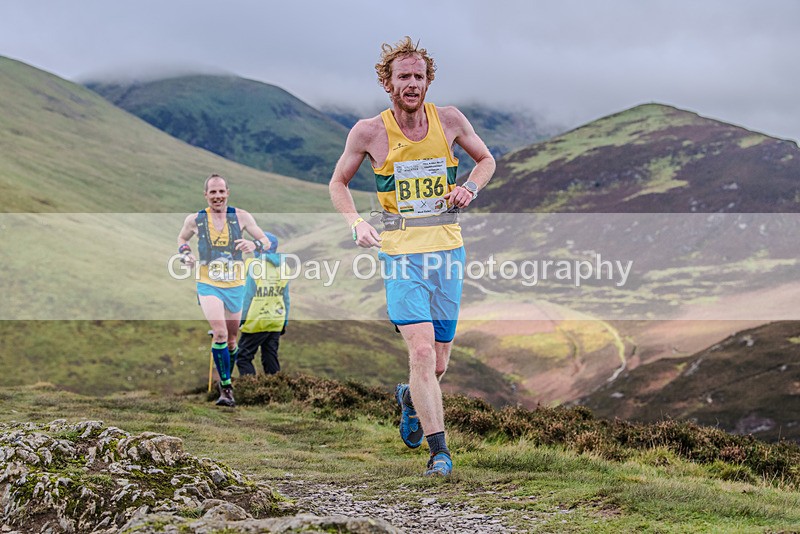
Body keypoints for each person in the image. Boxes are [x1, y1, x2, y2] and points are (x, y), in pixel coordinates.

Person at [329, 37, 496, 476]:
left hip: (447, 252)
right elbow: (338, 183)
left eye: (419, 76)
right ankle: (439, 452)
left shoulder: (451, 120)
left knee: (438, 362)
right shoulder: (369, 132)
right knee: (421, 352)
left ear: (428, 81)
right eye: (403, 76)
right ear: (388, 83)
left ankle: (409, 397)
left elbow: (486, 160)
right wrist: (355, 223)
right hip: (401, 254)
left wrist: (469, 187)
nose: (412, 84)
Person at [176, 174, 271, 407]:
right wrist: (185, 253)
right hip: (208, 283)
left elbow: (266, 241)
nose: (217, 196)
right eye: (213, 192)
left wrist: (254, 245)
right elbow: (182, 237)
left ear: (228, 192)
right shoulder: (196, 219)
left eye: (221, 192)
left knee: (230, 340)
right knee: (219, 333)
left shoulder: (241, 217)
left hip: (236, 284)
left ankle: (227, 374)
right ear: (206, 195)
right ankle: (226, 388)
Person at [237, 232, 289, 376]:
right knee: (270, 356)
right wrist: (284, 321)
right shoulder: (283, 268)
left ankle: (251, 391)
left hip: (257, 321)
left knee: (243, 357)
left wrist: (240, 319)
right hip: (276, 321)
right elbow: (286, 298)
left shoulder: (255, 266)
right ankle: (276, 391)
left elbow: (248, 296)